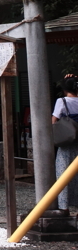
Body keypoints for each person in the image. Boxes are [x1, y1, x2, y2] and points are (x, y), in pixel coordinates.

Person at [51, 74, 78, 211]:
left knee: (63, 175)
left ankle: (64, 207)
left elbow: (54, 120)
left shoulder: (62, 101)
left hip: (66, 143)